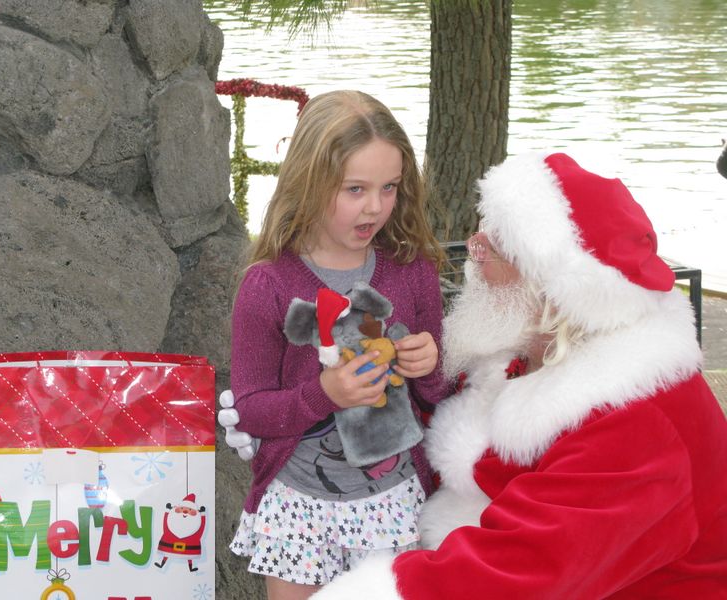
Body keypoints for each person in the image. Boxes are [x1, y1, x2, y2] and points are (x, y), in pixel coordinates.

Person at [312, 152, 727, 599]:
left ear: (550, 289)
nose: (474, 257)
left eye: (494, 248)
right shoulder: (532, 353)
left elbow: (520, 571)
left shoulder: (637, 422)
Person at [227, 90, 453, 599]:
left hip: (395, 504)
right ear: (309, 182)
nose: (375, 207)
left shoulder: (412, 272)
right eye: (355, 189)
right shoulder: (269, 285)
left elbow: (437, 400)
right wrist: (325, 393)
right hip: (298, 505)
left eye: (389, 187)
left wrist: (430, 367)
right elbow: (251, 412)